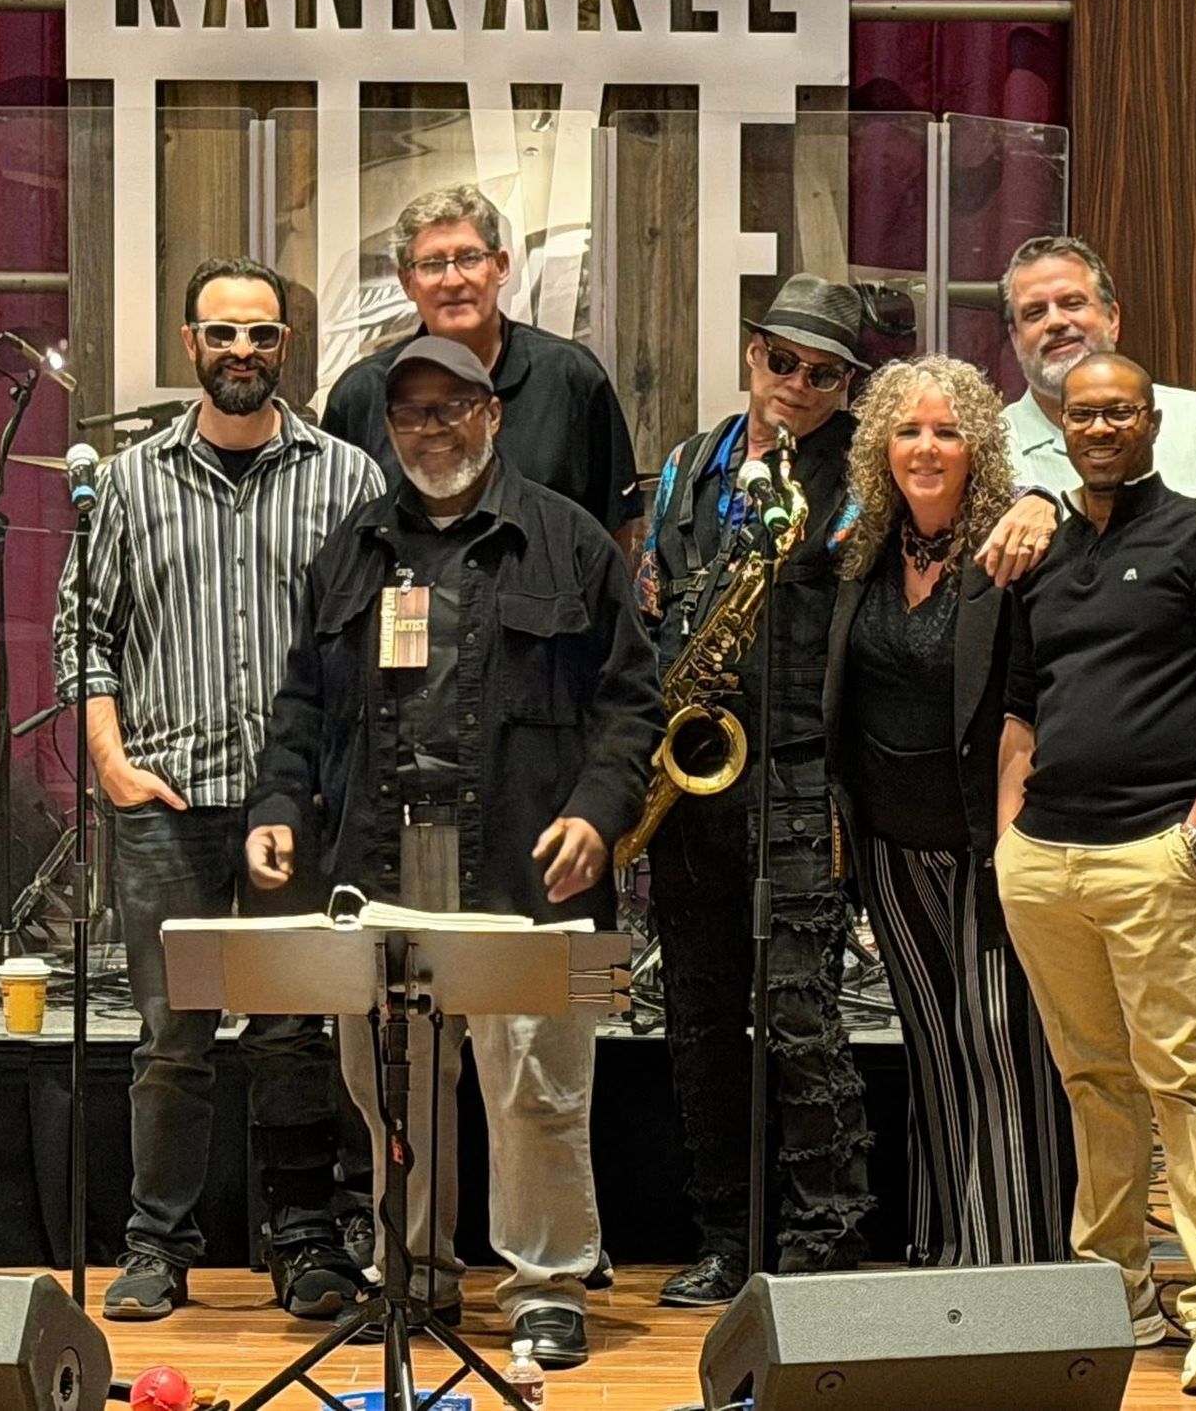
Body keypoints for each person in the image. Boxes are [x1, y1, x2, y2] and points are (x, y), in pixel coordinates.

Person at [245, 336, 660, 1369]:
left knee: (537, 1087)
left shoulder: (568, 542)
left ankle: (547, 1283)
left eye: (452, 408)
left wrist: (600, 815)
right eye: (411, 413)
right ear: (388, 429)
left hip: (532, 867)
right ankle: (411, 1273)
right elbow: (300, 700)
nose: (431, 430)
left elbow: (631, 705)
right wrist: (278, 799)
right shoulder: (351, 549)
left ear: (493, 414)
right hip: (377, 866)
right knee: (393, 1085)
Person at [987, 233, 1196, 1304]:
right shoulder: (1000, 448)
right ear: (1012, 337)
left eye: (1073, 301)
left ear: (1114, 312)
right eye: (1034, 311)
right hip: (1068, 811)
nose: (1057, 321)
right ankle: (1122, 1257)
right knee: (1098, 1049)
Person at [52, 256, 384, 1322]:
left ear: (290, 345)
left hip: (298, 808)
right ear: (190, 343)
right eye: (222, 333)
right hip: (168, 802)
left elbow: (382, 635)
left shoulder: (349, 479)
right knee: (171, 1036)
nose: (243, 351)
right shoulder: (128, 482)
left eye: (263, 334)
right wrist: (109, 763)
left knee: (293, 1029)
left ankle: (306, 1244)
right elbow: (82, 634)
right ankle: (156, 1247)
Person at [997, 352, 1196, 1397]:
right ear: (1060, 427)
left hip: (1159, 856)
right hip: (1046, 860)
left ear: (1153, 421)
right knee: (1093, 1083)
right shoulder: (1050, 548)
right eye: (1084, 415)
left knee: (1186, 1081)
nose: (1101, 428)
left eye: (1119, 412)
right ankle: (1113, 1292)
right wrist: (1008, 840)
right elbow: (1024, 706)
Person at [634, 273, 874, 1306]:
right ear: (751, 352)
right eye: (784, 361)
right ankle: (729, 1236)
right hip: (695, 780)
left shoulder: (865, 473)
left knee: (801, 1020)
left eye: (825, 373)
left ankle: (823, 1238)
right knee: (696, 1023)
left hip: (798, 772)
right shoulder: (690, 462)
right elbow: (653, 596)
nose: (800, 386)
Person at [823, 355, 1072, 1269]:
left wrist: (1044, 495)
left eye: (946, 430)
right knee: (932, 1045)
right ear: (881, 448)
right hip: (891, 844)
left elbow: (1035, 700)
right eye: (907, 430)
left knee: (1003, 1043)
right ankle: (947, 1251)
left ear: (979, 446)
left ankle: (1022, 1262)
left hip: (987, 840)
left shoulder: (1011, 549)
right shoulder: (861, 553)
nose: (926, 447)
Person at [324, 182, 643, 548]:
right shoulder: (361, 396)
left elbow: (616, 534)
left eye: (469, 258)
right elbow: (341, 547)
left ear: (501, 266)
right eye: (431, 264)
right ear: (406, 281)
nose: (453, 279)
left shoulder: (571, 378)